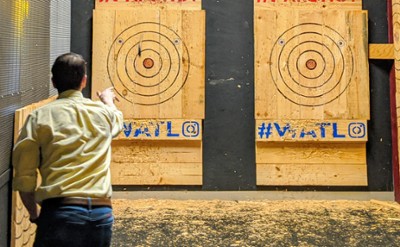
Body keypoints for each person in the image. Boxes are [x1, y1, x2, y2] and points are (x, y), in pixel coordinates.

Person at [12, 53, 123, 247]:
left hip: (59, 213)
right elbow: (117, 120)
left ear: (53, 81)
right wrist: (107, 100)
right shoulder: (103, 114)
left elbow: (25, 178)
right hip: (101, 214)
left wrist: (34, 214)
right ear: (84, 81)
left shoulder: (39, 117)